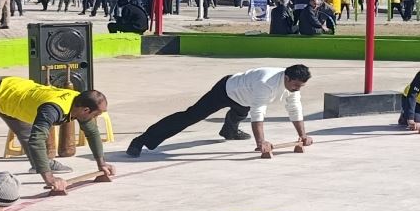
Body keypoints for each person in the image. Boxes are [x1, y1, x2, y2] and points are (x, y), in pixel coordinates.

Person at [127, 65, 313, 157]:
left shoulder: (292, 88)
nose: (297, 89)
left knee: (241, 111)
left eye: (301, 86)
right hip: (226, 90)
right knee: (192, 115)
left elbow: (295, 109)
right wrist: (261, 142)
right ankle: (140, 141)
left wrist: (303, 135)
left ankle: (229, 131)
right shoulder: (266, 83)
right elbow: (258, 113)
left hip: (245, 98)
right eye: (296, 85)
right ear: (286, 78)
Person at [0, 78, 112, 195]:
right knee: (35, 137)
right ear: (86, 110)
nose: (95, 117)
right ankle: (44, 167)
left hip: (13, 96)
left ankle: (42, 164)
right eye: (96, 114)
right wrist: (50, 178)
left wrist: (102, 164)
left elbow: (92, 133)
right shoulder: (52, 110)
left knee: (26, 133)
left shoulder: (79, 102)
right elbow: (36, 141)